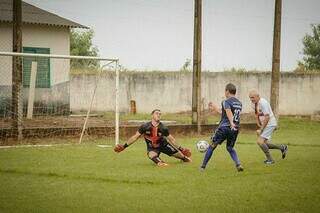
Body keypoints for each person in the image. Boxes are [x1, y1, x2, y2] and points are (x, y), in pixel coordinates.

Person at [114, 109, 192, 167]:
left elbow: (172, 139)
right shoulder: (144, 126)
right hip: (152, 148)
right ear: (152, 115)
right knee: (151, 155)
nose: (158, 115)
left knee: (184, 158)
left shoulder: (163, 128)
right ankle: (160, 163)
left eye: (160, 114)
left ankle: (183, 158)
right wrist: (124, 146)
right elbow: (135, 137)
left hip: (164, 145)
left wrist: (181, 149)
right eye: (157, 113)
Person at [200, 83, 244, 172]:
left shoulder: (226, 101)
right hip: (235, 129)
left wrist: (231, 122)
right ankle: (238, 164)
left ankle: (202, 167)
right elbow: (224, 112)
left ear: (227, 91)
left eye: (225, 90)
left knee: (212, 146)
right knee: (230, 148)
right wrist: (215, 108)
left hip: (224, 128)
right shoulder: (239, 103)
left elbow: (228, 113)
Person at [248, 90, 288, 164]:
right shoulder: (253, 104)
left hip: (270, 124)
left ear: (258, 96)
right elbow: (257, 114)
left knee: (260, 141)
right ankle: (282, 147)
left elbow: (267, 117)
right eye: (250, 98)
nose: (251, 99)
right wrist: (258, 124)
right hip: (266, 124)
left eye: (253, 97)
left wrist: (261, 129)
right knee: (264, 143)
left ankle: (270, 159)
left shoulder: (263, 103)